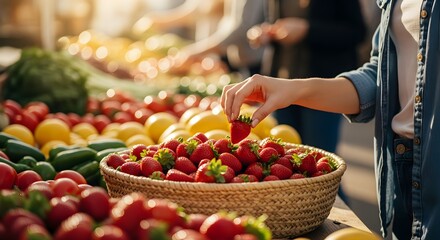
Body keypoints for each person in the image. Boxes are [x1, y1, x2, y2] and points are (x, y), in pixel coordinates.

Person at [221, 0, 440, 239]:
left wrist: (306, 30)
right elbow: (382, 75)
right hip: (402, 171)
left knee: (323, 177)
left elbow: (353, 33)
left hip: (432, 165)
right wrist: (292, 88)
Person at [246, 0, 367, 155]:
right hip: (281, 85)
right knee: (283, 157)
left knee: (319, 159)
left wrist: (307, 30)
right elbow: (273, 22)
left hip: (322, 88)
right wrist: (265, 33)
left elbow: (357, 32)